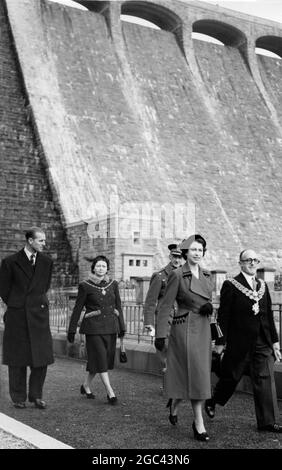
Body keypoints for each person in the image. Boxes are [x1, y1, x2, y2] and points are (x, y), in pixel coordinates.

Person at [205, 249, 282, 433]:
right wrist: (220, 343)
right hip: (239, 343)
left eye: (255, 260)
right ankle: (213, 400)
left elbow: (269, 316)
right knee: (231, 377)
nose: (253, 263)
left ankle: (267, 422)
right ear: (240, 263)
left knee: (265, 379)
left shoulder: (263, 286)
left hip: (262, 342)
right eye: (248, 260)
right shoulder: (231, 285)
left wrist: (275, 343)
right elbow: (223, 316)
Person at [155, 234, 214, 441]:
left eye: (200, 250)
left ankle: (175, 402)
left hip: (203, 329)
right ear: (186, 252)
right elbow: (165, 306)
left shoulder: (207, 275)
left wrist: (210, 309)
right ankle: (199, 423)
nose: (197, 253)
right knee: (196, 373)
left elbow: (208, 301)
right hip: (185, 329)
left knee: (195, 374)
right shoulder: (178, 275)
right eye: (193, 250)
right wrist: (160, 335)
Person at [0, 227, 53, 409]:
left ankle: (36, 396)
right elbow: (4, 290)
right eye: (41, 241)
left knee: (41, 357)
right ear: (30, 241)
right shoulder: (10, 262)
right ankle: (18, 397)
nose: (44, 244)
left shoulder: (47, 262)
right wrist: (18, 304)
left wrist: (35, 303)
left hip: (39, 315)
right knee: (17, 359)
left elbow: (44, 286)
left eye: (44, 241)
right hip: (18, 315)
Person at [67, 255, 126, 404]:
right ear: (93, 268)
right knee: (100, 358)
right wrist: (72, 330)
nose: (101, 268)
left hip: (111, 327)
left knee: (101, 360)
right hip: (93, 328)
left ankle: (86, 385)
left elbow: (118, 306)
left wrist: (122, 327)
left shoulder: (113, 284)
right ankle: (110, 392)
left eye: (104, 266)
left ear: (107, 269)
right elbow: (78, 308)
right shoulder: (85, 285)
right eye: (98, 266)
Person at [143, 243, 183, 373]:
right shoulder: (160, 276)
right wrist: (149, 323)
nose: (177, 260)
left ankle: (176, 386)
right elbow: (150, 301)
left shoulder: (185, 274)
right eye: (175, 256)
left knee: (179, 353)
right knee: (164, 352)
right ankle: (168, 387)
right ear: (170, 256)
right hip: (165, 320)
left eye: (180, 257)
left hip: (181, 318)